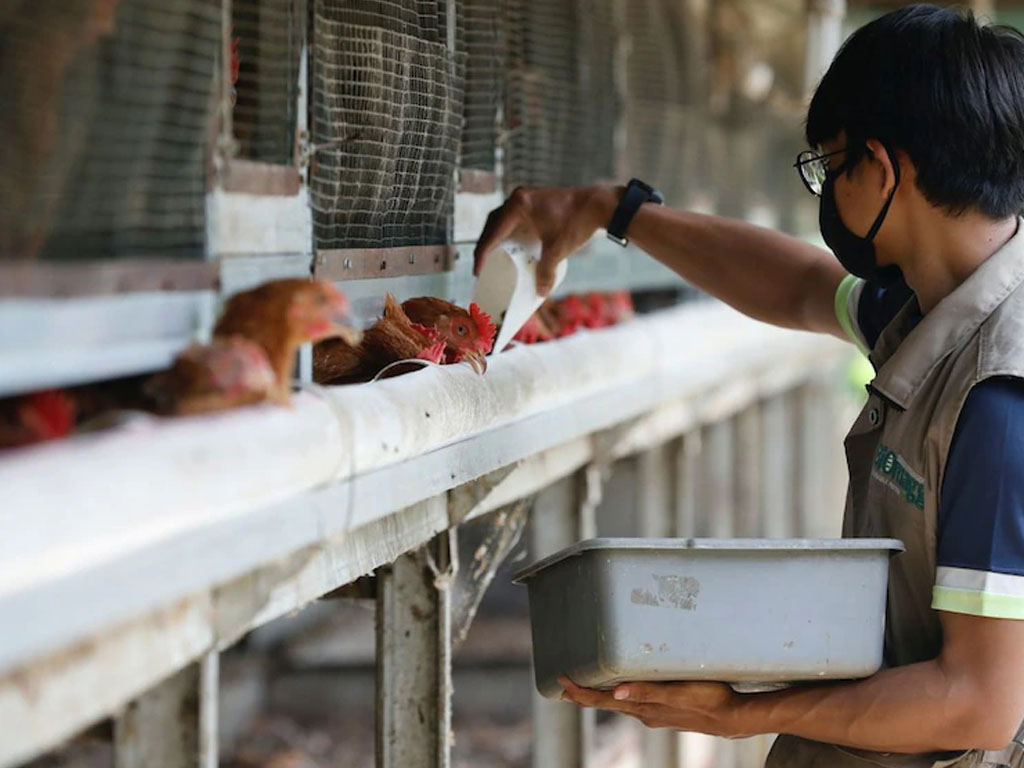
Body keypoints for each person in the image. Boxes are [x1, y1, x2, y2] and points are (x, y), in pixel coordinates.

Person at [474, 5, 1024, 766]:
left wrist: (741, 714)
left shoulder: (997, 398)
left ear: (883, 168)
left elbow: (980, 703)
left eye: (831, 170)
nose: (826, 195)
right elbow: (797, 282)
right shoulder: (929, 307)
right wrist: (615, 209)